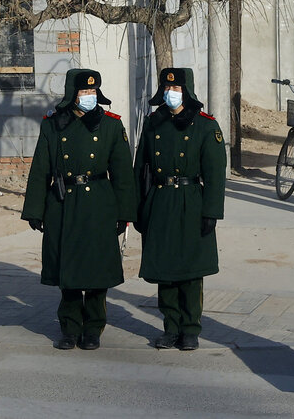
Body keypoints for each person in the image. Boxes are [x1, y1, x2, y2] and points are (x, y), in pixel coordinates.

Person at [21, 69, 138, 351]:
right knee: (68, 270)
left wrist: (125, 215)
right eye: (84, 92)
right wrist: (35, 209)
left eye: (93, 91)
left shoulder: (111, 125)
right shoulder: (52, 125)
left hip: (99, 202)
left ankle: (94, 329)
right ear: (72, 94)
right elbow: (40, 169)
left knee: (97, 270)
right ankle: (70, 328)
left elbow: (123, 174)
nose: (89, 96)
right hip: (63, 203)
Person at [134, 68, 227, 351]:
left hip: (190, 200)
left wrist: (211, 211)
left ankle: (190, 329)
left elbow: (215, 172)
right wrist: (137, 208)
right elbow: (141, 167)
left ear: (187, 91)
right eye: (166, 88)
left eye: (175, 89)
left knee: (189, 270)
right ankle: (170, 327)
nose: (170, 94)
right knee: (165, 269)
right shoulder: (154, 122)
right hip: (160, 200)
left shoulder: (205, 125)